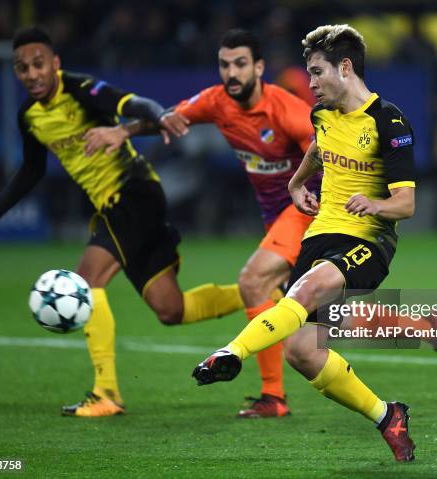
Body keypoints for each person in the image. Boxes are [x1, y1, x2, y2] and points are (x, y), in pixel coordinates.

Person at [0, 26, 244, 418]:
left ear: (55, 64)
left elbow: (134, 103)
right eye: (22, 68)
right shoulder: (29, 116)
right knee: (171, 309)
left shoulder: (80, 89)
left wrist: (160, 115)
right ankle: (260, 292)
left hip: (132, 193)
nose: (31, 74)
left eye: (38, 64)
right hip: (125, 205)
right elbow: (30, 171)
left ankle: (106, 393)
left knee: (87, 281)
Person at [191, 24, 417, 461]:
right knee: (302, 353)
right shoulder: (322, 116)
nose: (309, 83)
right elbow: (317, 149)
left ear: (345, 68)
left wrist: (374, 204)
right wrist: (297, 184)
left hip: (368, 242)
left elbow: (406, 203)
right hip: (319, 237)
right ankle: (388, 416)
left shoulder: (388, 121)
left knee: (305, 289)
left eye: (316, 72)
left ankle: (231, 351)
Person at [84, 28, 322, 419]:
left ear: (259, 67)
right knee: (318, 311)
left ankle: (274, 397)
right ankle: (425, 324)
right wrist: (122, 130)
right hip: (276, 221)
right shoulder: (216, 101)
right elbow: (170, 119)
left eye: (241, 64)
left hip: (308, 211)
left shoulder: (288, 111)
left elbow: (325, 152)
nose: (232, 73)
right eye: (225, 65)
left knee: (253, 282)